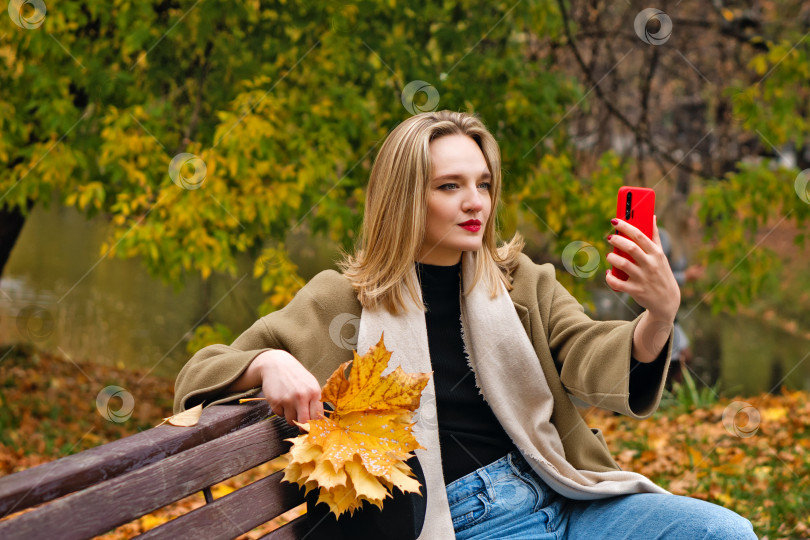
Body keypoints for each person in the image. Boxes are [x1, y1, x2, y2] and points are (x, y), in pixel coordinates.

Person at [173, 110, 757, 539]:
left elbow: (586, 353)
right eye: (450, 186)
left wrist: (659, 314)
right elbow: (198, 374)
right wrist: (267, 360)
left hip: (566, 494)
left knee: (722, 533)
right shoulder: (342, 302)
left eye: (482, 184)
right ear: (405, 198)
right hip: (459, 520)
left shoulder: (519, 282)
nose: (475, 202)